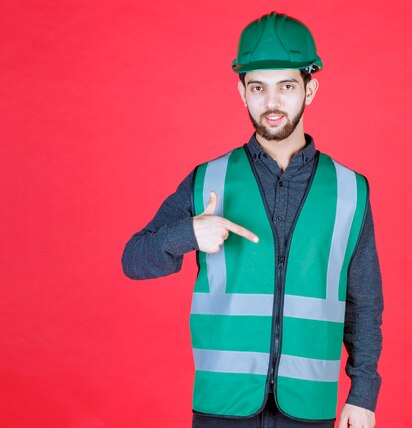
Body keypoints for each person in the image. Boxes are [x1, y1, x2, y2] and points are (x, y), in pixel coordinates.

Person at [122, 11, 383, 428]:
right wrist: (188, 232)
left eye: (287, 86)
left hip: (309, 404)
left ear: (309, 90)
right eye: (258, 87)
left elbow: (365, 303)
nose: (272, 102)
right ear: (242, 92)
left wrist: (363, 395)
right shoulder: (207, 179)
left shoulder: (352, 190)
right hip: (222, 405)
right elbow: (133, 260)